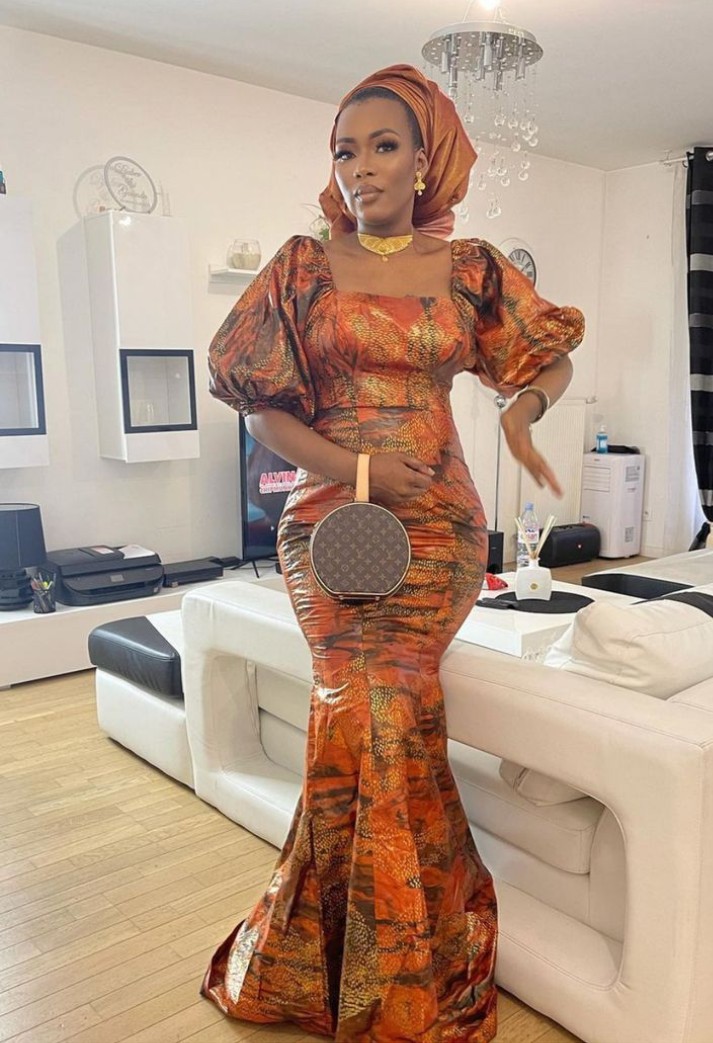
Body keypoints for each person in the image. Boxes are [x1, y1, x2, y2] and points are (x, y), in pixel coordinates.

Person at [201, 63, 584, 1042]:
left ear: (422, 160)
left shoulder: (470, 269)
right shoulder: (299, 266)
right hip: (328, 515)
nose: (360, 166)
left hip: (437, 521)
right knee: (361, 704)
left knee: (387, 705)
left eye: (382, 146)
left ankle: (362, 967)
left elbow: (545, 357)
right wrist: (358, 466)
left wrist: (522, 417)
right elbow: (261, 410)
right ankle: (398, 962)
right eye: (344, 149)